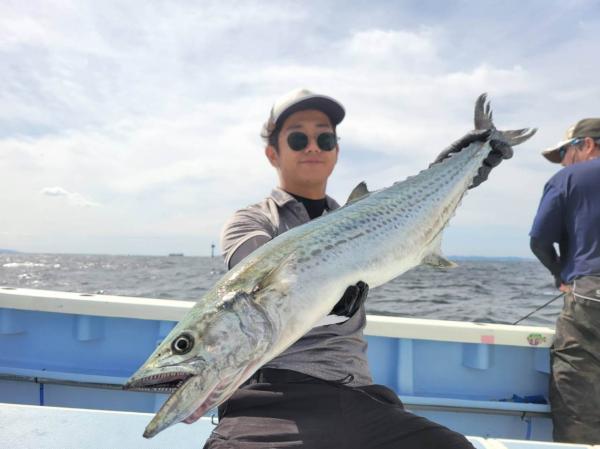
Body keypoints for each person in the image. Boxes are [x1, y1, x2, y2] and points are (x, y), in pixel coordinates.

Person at [204, 88, 513, 449]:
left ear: (336, 151)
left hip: (356, 394)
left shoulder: (367, 216)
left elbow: (407, 218)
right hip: (273, 395)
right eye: (298, 138)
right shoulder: (252, 221)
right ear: (273, 153)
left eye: (325, 139)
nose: (313, 147)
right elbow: (262, 287)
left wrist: (454, 171)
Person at [529, 119, 600, 444]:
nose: (563, 163)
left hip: (591, 296)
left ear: (587, 144)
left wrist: (561, 275)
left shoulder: (569, 178)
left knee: (577, 403)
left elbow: (540, 241)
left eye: (565, 154)